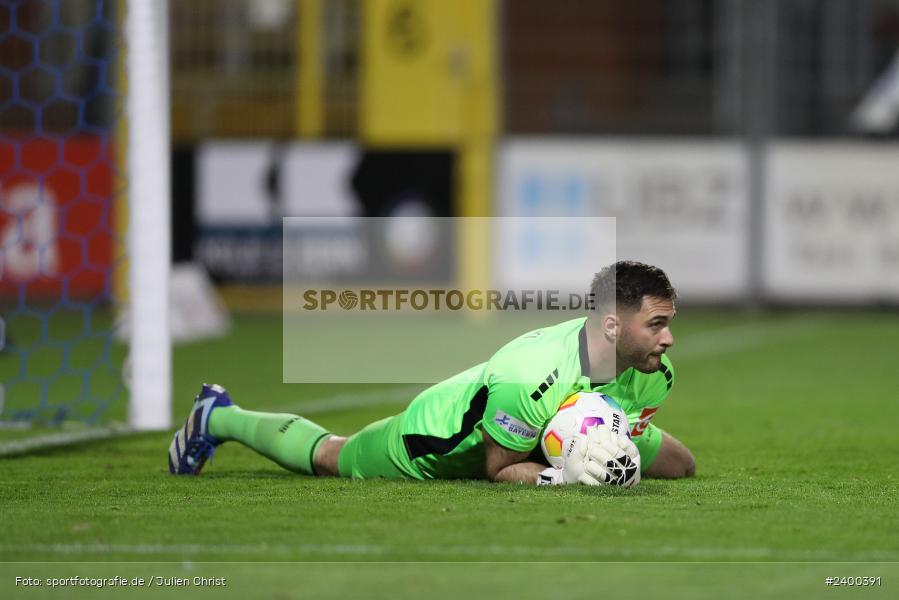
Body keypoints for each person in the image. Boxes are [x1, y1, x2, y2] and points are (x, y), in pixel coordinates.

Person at [168, 261, 696, 486]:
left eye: (668, 325)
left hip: (549, 429)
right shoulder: (530, 375)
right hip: (443, 437)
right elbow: (499, 469)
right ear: (610, 325)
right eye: (656, 325)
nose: (668, 339)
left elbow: (629, 430)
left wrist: (620, 454)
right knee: (330, 457)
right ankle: (222, 415)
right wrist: (570, 476)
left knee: (683, 467)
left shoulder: (655, 373)